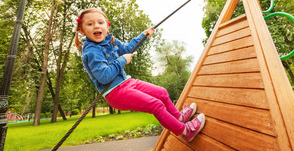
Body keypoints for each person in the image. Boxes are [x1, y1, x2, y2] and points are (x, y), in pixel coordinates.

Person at [74, 8, 205, 142]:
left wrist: (142, 36)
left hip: (127, 82)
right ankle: (185, 131)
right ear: (82, 30)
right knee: (156, 105)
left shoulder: (110, 40)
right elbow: (104, 76)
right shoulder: (91, 51)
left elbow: (126, 49)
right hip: (115, 92)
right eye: (90, 24)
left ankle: (180, 117)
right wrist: (122, 60)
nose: (96, 26)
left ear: (107, 26)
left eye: (100, 22)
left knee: (162, 93)